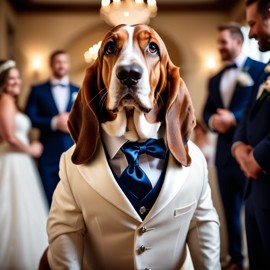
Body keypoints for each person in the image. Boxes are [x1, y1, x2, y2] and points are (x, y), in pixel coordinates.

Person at [203, 22, 265, 270]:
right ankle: (236, 261)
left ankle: (257, 260)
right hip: (223, 156)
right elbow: (205, 110)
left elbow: (255, 109)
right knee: (229, 213)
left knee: (255, 212)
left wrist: (234, 119)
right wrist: (212, 121)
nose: (219, 47)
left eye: (223, 42)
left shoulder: (260, 69)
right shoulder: (215, 78)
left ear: (237, 42)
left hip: (251, 153)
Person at [0, 59, 48, 269]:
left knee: (24, 210)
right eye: (11, 78)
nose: (16, 82)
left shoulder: (12, 102)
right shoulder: (4, 100)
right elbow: (9, 136)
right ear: (2, 81)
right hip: (12, 160)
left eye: (18, 78)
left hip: (21, 162)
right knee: (11, 209)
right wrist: (31, 149)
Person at [232, 1, 270, 269]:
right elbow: (247, 114)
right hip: (254, 189)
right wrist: (237, 147)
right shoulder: (264, 70)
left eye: (253, 24)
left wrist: (259, 157)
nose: (251, 33)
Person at [25, 50, 79, 207]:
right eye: (58, 62)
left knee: (72, 202)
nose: (61, 65)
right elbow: (30, 117)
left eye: (64, 62)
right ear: (51, 65)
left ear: (68, 65)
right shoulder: (37, 90)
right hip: (47, 154)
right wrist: (54, 122)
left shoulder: (79, 90)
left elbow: (87, 119)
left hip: (72, 154)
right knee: (47, 200)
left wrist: (72, 122)